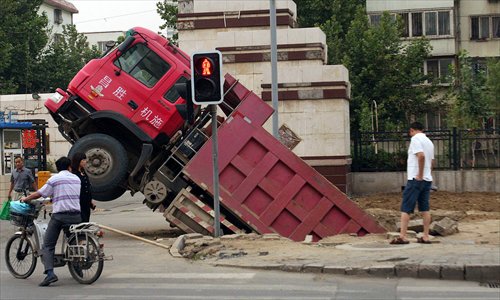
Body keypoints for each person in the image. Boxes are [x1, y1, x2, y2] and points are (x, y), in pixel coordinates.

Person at [21, 156, 81, 287]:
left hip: (60, 216)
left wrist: (26, 199)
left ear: (58, 168)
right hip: (76, 215)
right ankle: (78, 269)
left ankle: (50, 274)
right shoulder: (76, 178)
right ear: (69, 167)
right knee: (73, 241)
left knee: (48, 244)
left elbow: (40, 193)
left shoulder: (55, 179)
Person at [391, 122, 434, 245]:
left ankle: (403, 236)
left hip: (415, 179)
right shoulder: (429, 142)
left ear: (411, 130)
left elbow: (421, 156)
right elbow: (432, 162)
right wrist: (427, 175)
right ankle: (426, 236)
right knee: (425, 208)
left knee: (406, 207)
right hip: (427, 180)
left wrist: (419, 174)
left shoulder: (415, 139)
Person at [71, 152, 95, 222]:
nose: (85, 162)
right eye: (83, 160)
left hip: (86, 201)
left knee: (86, 219)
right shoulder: (74, 174)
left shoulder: (83, 172)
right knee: (81, 220)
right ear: (78, 161)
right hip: (79, 201)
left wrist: (90, 201)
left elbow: (87, 187)